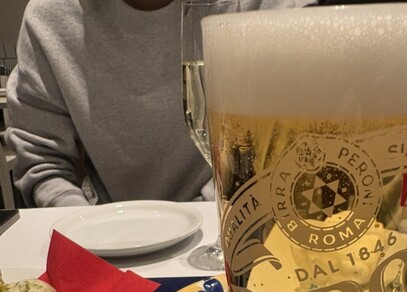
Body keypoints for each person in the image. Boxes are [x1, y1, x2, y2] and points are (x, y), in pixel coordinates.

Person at [5, 0, 298, 208]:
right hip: (110, 243)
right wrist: (85, 226)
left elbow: (281, 140)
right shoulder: (48, 17)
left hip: (242, 227)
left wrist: (205, 214)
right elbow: (42, 160)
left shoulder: (261, 5)